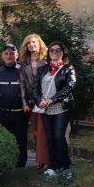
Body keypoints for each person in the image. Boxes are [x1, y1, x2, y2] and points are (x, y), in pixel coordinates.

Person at [34, 42, 77, 177]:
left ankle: (65, 166)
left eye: (58, 50)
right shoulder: (43, 69)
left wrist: (52, 99)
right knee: (50, 138)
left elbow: (70, 85)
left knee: (59, 136)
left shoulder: (68, 68)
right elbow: (35, 87)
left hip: (61, 108)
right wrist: (38, 100)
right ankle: (54, 166)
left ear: (63, 53)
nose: (54, 52)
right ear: (48, 53)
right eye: (52, 50)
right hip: (45, 109)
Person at [0, 44, 30, 167]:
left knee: (21, 140)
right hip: (2, 113)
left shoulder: (23, 71)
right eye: (6, 53)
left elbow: (30, 90)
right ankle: (6, 164)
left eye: (12, 53)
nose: (9, 56)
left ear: (17, 55)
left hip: (20, 113)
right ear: (2, 56)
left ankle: (21, 165)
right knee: (4, 140)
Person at [19, 34, 50, 173]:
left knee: (45, 132)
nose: (31, 45)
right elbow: (22, 84)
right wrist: (24, 102)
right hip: (32, 102)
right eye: (29, 43)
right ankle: (40, 160)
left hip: (45, 101)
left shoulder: (46, 60)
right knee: (36, 132)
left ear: (39, 44)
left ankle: (47, 160)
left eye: (34, 42)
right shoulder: (24, 62)